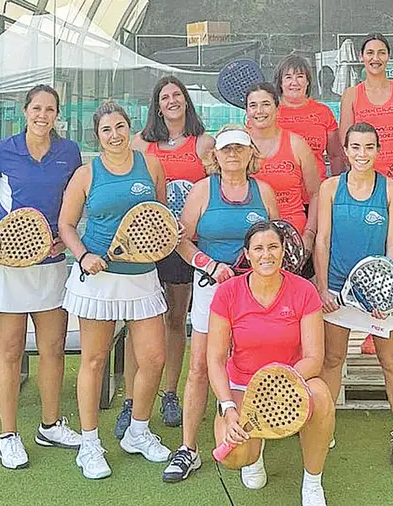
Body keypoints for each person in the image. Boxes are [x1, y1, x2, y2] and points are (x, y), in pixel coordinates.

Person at [0, 84, 83, 470]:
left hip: (51, 266)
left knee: (53, 349)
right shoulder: (2, 151)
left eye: (50, 109)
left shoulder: (69, 152)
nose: (43, 115)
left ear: (58, 115)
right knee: (9, 350)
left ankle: (50, 425)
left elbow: (76, 200)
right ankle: (8, 436)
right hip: (5, 268)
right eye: (37, 108)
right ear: (25, 111)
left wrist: (66, 237)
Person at [58, 101, 171, 479]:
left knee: (154, 357)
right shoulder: (86, 174)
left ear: (130, 127)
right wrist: (84, 255)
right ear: (98, 136)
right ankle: (90, 444)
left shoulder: (150, 164)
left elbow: (159, 216)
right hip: (99, 279)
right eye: (107, 130)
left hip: (142, 275)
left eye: (120, 127)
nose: (115, 135)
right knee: (94, 360)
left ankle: (138, 431)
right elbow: (67, 225)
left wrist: (169, 234)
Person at [161, 126, 280, 483]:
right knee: (199, 366)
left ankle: (251, 447)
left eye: (239, 149)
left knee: (251, 367)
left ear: (250, 154)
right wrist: (210, 265)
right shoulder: (202, 191)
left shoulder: (265, 192)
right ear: (215, 155)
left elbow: (275, 240)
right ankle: (188, 449)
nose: (232, 154)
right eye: (226, 149)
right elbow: (182, 241)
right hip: (212, 288)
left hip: (256, 291)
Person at [109, 77, 216, 436]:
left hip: (184, 245)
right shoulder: (140, 143)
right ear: (156, 105)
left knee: (173, 319)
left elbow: (213, 191)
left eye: (177, 95)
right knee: (137, 322)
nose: (171, 101)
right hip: (144, 244)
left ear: (187, 101)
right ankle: (131, 400)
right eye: (164, 97)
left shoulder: (204, 143)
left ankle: (170, 393)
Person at [314, 122, 393, 468]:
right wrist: (323, 287)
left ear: (378, 150)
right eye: (355, 147)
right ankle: (323, 426)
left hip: (376, 293)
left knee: (391, 361)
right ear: (345, 150)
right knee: (332, 360)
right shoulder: (330, 188)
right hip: (338, 291)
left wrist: (383, 291)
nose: (362, 154)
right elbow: (323, 241)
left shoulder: (390, 190)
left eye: (369, 147)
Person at [209, 220, 334, 506]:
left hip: (291, 381)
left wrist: (276, 383)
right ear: (247, 253)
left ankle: (313, 482)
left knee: (322, 396)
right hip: (242, 383)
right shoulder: (227, 293)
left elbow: (314, 359)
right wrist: (228, 408)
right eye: (259, 248)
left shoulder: (304, 290)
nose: (266, 255)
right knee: (234, 458)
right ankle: (255, 453)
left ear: (283, 251)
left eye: (273, 247)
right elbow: (215, 359)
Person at [338, 33, 393, 357]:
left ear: (388, 57)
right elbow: (345, 141)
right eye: (370, 52)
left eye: (381, 52)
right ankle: (377, 328)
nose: (376, 58)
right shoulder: (351, 96)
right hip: (366, 187)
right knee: (374, 257)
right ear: (362, 58)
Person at [246, 82, 321, 275]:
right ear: (246, 111)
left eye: (266, 104)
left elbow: (315, 194)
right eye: (253, 105)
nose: (259, 111)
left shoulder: (297, 144)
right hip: (252, 242)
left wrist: (309, 236)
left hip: (293, 241)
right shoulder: (238, 146)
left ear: (277, 108)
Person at [274, 54, 345, 181]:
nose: (294, 82)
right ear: (280, 82)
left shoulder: (323, 112)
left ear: (308, 81)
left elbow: (336, 156)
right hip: (275, 195)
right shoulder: (269, 113)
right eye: (288, 77)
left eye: (300, 77)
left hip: (317, 195)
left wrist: (338, 188)